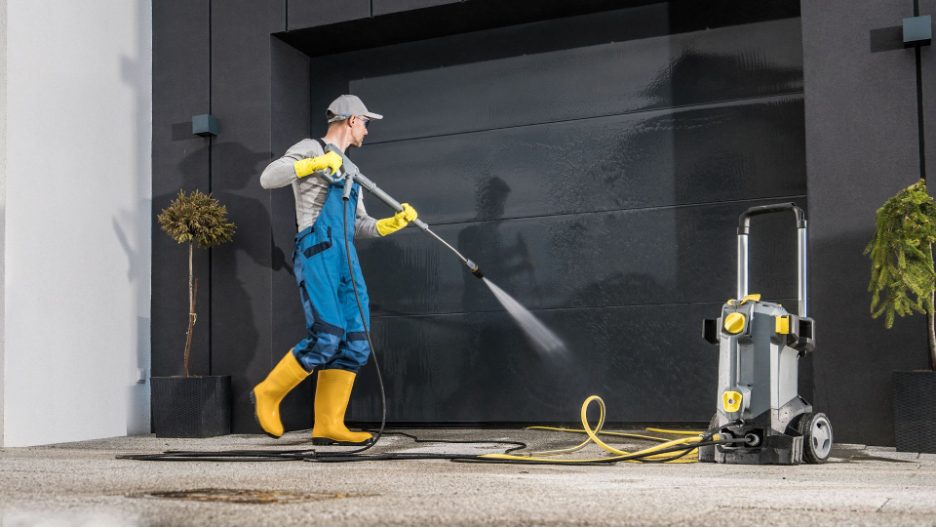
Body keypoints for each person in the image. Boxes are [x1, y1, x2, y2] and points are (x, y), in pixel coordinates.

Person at [251, 95, 418, 445]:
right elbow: (269, 177)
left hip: (346, 255)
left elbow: (358, 224)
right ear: (352, 120)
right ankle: (268, 392)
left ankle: (328, 424)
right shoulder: (311, 148)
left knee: (356, 341)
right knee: (327, 335)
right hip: (319, 250)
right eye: (367, 123)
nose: (368, 131)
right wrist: (313, 164)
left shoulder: (352, 172)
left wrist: (390, 224)